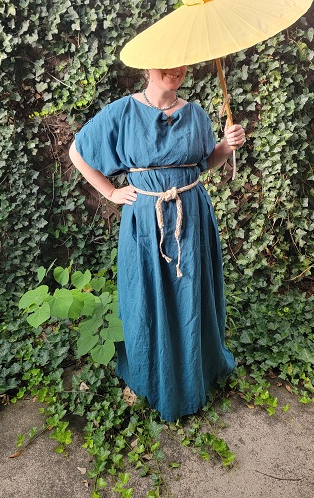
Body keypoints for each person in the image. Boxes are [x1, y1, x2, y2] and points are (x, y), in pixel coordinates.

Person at [69, 66, 246, 421]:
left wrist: (226, 145)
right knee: (147, 295)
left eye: (181, 63)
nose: (175, 70)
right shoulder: (122, 111)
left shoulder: (195, 113)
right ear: (148, 66)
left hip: (192, 216)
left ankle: (196, 369)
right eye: (166, 62)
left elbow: (206, 162)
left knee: (192, 294)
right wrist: (111, 192)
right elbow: (78, 152)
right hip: (146, 222)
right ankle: (154, 374)